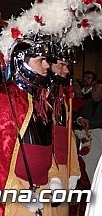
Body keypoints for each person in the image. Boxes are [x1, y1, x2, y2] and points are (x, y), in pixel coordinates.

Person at [0, 38, 72, 215]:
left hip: (44, 188)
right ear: (22, 60)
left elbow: (46, 145)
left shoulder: (40, 98)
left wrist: (55, 177)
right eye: (41, 60)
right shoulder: (4, 96)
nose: (47, 66)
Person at [48, 46, 82, 216]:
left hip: (64, 168)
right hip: (46, 172)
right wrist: (52, 175)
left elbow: (70, 137)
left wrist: (74, 171)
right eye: (61, 65)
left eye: (67, 65)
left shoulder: (63, 98)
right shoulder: (39, 98)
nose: (66, 70)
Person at [75, 80, 102, 183]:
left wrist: (90, 124)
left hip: (98, 139)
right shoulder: (85, 103)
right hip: (85, 138)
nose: (95, 92)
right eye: (94, 90)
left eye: (98, 91)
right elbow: (76, 116)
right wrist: (80, 120)